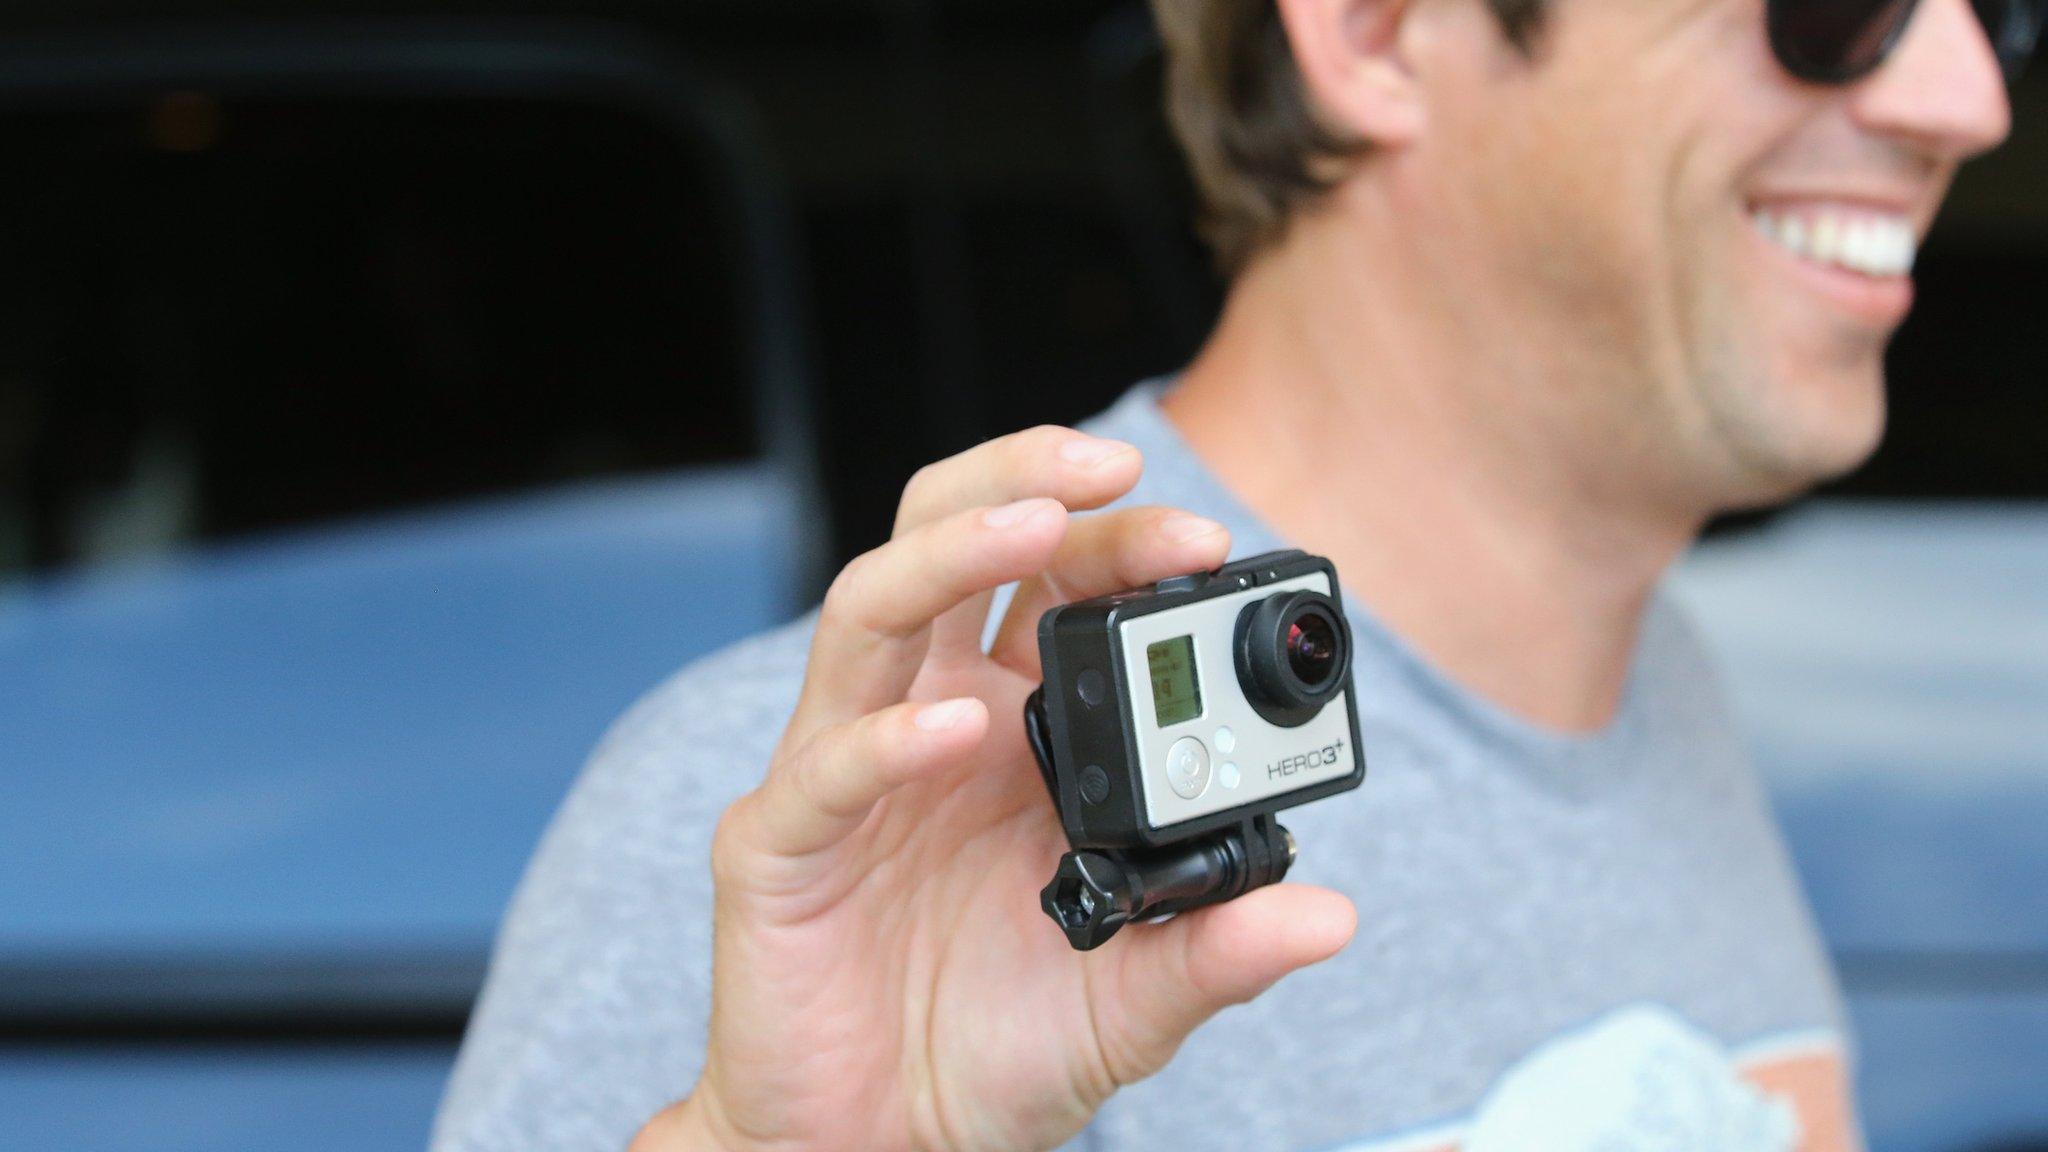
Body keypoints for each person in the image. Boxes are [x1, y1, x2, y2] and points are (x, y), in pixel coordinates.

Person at [432, 0, 2019, 1148]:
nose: (1969, 97)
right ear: (1380, 31)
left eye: (1984, 10)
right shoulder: (839, 803)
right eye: (1835, 11)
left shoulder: (1661, 693)